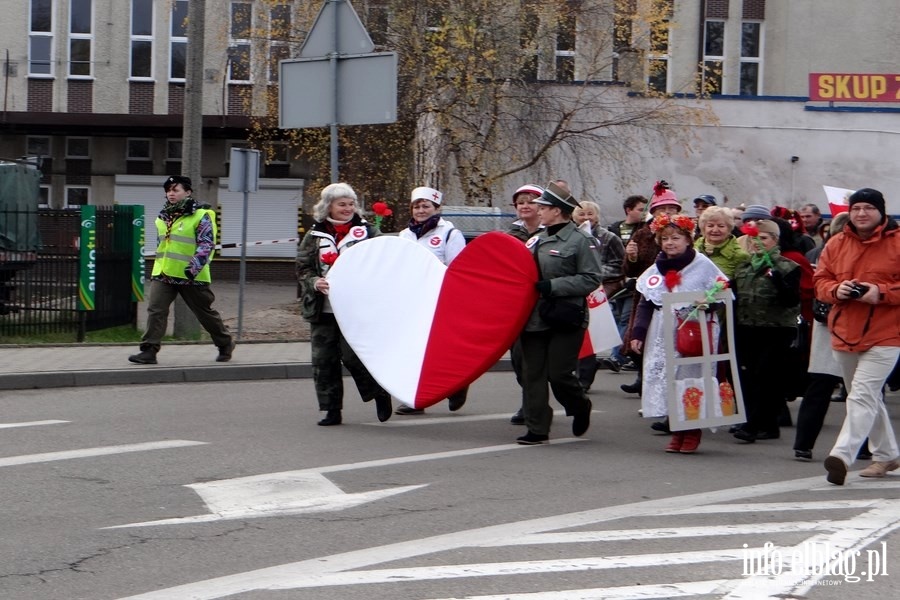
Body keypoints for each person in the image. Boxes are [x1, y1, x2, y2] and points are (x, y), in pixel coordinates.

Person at [815, 188, 899, 485]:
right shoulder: (836, 243)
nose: (862, 213)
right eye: (856, 208)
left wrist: (881, 293)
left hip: (888, 333)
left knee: (861, 395)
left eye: (868, 208)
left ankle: (841, 455)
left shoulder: (898, 242)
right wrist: (837, 290)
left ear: (881, 211)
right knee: (865, 397)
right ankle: (886, 454)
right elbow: (820, 281)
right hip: (845, 331)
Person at [629, 212, 727, 453]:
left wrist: (707, 303)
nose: (670, 243)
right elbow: (646, 303)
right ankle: (676, 430)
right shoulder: (656, 269)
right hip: (662, 331)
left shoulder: (702, 265)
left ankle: (692, 432)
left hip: (693, 330)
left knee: (690, 379)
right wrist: (637, 333)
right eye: (665, 239)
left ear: (688, 239)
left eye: (675, 238)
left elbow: (722, 294)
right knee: (667, 379)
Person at [296, 182, 392, 426]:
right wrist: (315, 282)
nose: (348, 208)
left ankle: (378, 392)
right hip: (323, 308)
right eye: (342, 204)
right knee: (323, 361)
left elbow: (384, 260)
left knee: (353, 356)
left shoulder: (367, 231)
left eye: (351, 204)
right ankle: (331, 410)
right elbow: (303, 267)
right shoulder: (314, 234)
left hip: (355, 309)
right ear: (329, 206)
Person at [516, 182, 601, 445]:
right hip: (534, 316)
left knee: (560, 373)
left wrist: (553, 286)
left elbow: (591, 279)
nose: (537, 210)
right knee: (533, 375)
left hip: (566, 316)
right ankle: (537, 427)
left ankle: (579, 405)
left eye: (542, 207)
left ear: (557, 211)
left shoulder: (581, 240)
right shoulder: (535, 239)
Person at [129, 176, 234, 365]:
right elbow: (163, 245)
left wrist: (194, 267)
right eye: (168, 190)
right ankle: (149, 350)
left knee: (204, 313)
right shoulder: (163, 216)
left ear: (188, 192)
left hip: (191, 275)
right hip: (164, 273)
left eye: (175, 190)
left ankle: (225, 343)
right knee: (156, 310)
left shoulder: (201, 215)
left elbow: (206, 244)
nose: (171, 193)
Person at [395, 186, 469, 415]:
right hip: (413, 302)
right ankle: (415, 399)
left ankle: (458, 384)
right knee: (415, 351)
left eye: (426, 205)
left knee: (443, 350)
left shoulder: (449, 234)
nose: (420, 210)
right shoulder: (404, 235)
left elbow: (458, 269)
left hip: (440, 301)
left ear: (437, 209)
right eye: (416, 206)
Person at [731, 219, 801, 443]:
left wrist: (779, 282)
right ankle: (766, 425)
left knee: (766, 377)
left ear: (774, 240)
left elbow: (792, 301)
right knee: (749, 377)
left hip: (776, 330)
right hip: (747, 327)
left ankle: (752, 426)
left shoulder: (787, 267)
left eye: (763, 238)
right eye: (753, 238)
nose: (757, 243)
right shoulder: (743, 267)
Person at [793, 213, 850, 461]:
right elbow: (818, 286)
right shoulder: (827, 253)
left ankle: (803, 444)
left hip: (841, 325)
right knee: (859, 391)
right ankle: (867, 445)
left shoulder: (821, 251)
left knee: (825, 386)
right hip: (833, 322)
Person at [621, 181, 683, 406]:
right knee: (638, 341)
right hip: (646, 296)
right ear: (654, 211)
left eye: (671, 209)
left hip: (676, 295)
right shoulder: (642, 234)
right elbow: (629, 270)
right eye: (662, 209)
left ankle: (662, 394)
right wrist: (632, 256)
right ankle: (643, 378)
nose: (667, 213)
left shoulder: (683, 233)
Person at [572, 201, 626, 391]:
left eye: (590, 214)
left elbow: (620, 264)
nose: (586, 218)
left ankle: (584, 376)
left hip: (601, 287)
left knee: (591, 331)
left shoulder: (609, 237)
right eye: (581, 214)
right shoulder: (571, 237)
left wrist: (592, 273)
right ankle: (581, 368)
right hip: (575, 287)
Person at [507, 184, 545, 425]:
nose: (524, 205)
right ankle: (529, 400)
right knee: (519, 357)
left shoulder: (552, 233)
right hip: (516, 305)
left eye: (530, 201)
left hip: (544, 304)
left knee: (538, 360)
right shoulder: (511, 236)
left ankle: (534, 403)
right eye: (521, 201)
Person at [604, 195, 649, 374]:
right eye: (640, 209)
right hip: (616, 283)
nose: (644, 213)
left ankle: (617, 356)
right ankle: (622, 352)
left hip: (634, 284)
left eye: (646, 210)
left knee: (626, 318)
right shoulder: (614, 229)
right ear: (628, 210)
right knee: (616, 318)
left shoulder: (644, 230)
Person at [693, 206, 749, 281]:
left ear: (729, 228)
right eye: (710, 226)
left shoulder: (740, 256)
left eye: (721, 226)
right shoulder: (693, 250)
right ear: (703, 228)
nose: (715, 230)